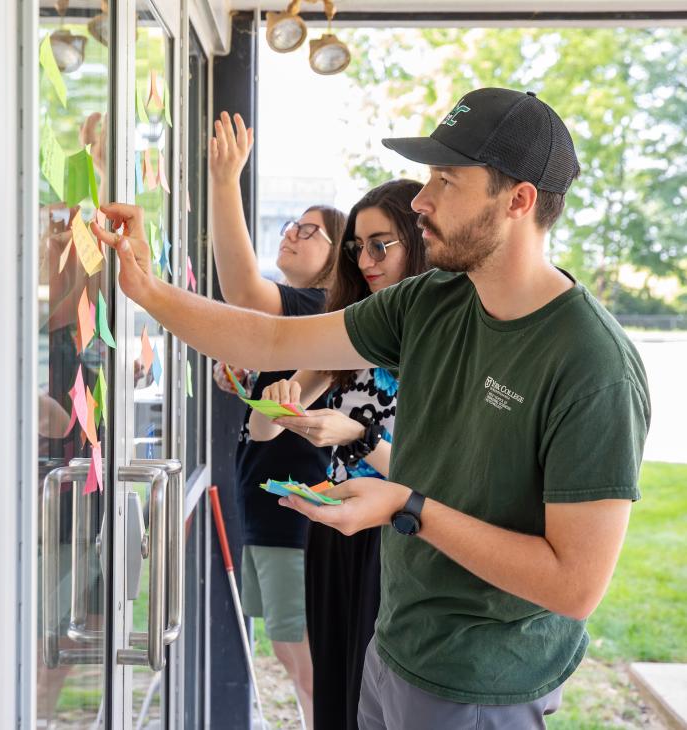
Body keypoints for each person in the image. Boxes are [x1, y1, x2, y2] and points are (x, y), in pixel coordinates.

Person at [95, 87, 650, 729]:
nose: (421, 201)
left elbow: (575, 585)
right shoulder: (432, 302)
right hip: (393, 649)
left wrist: (406, 505)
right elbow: (270, 337)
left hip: (480, 683)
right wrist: (144, 287)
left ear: (519, 200)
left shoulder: (593, 365)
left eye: (446, 179)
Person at [249, 179, 429, 730]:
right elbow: (260, 432)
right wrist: (279, 400)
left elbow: (432, 482)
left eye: (381, 244)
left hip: (399, 535)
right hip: (333, 529)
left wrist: (358, 437)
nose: (366, 259)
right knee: (335, 693)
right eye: (357, 245)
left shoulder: (440, 339)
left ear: (417, 243)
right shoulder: (355, 329)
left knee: (376, 694)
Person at [208, 111, 346, 728]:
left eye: (310, 231)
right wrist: (250, 385)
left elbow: (241, 290)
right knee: (293, 656)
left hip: (295, 512)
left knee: (304, 659)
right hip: (270, 507)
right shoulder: (301, 320)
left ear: (335, 259)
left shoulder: (314, 305)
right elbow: (276, 413)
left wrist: (224, 180)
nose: (292, 233)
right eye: (293, 224)